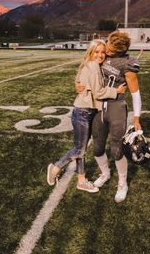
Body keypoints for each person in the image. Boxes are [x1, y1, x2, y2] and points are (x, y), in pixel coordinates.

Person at [47, 39, 126, 193]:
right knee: (79, 150)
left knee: (81, 148)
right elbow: (98, 92)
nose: (100, 55)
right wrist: (116, 91)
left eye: (103, 52)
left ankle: (81, 181)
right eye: (96, 51)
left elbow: (79, 81)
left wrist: (78, 85)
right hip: (83, 112)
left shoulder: (89, 64)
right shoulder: (93, 66)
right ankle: (55, 168)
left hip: (86, 112)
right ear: (91, 52)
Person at [76, 31, 142, 203]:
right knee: (97, 147)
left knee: (117, 149)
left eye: (111, 48)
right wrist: (78, 84)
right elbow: (85, 70)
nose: (107, 48)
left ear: (119, 50)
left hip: (116, 107)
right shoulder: (101, 55)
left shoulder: (128, 64)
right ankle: (105, 173)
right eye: (108, 44)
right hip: (98, 106)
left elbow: (135, 93)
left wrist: (136, 118)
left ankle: (122, 183)